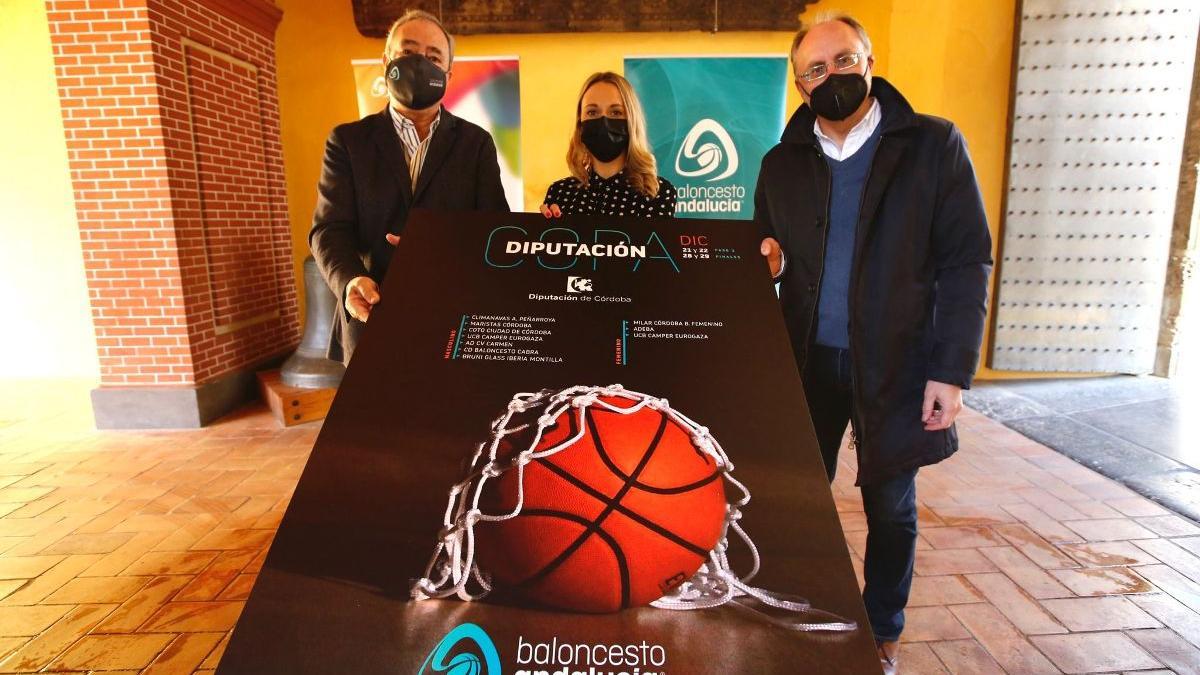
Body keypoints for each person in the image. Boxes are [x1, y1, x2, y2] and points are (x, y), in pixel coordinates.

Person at [754, 13, 992, 674]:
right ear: (802, 86)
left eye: (844, 60)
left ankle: (882, 630)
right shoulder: (780, 164)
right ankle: (799, 614)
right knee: (797, 498)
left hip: (898, 367)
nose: (833, 76)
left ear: (870, 59)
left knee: (890, 505)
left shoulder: (933, 146)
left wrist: (952, 369)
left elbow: (967, 259)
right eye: (816, 70)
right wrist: (766, 261)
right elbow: (763, 247)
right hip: (808, 364)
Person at [310, 9, 509, 364]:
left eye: (434, 57)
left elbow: (494, 231)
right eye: (408, 52)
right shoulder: (347, 141)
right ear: (386, 62)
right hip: (370, 316)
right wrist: (351, 281)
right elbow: (329, 229)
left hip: (454, 320)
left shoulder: (476, 143)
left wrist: (441, 247)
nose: (421, 63)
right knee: (372, 419)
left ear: (448, 74)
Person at [541, 72, 676, 219]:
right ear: (580, 122)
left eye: (616, 112)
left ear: (632, 121)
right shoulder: (560, 192)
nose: (604, 122)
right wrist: (544, 228)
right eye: (592, 112)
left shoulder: (657, 192)